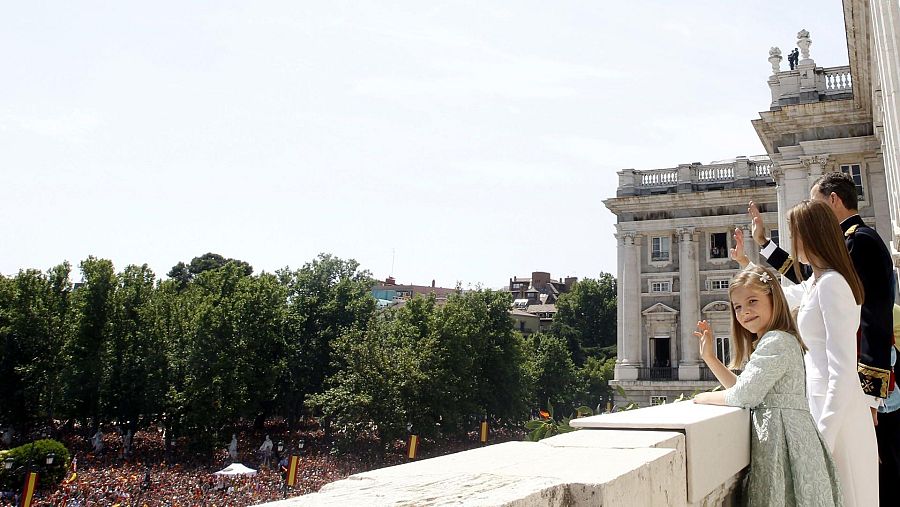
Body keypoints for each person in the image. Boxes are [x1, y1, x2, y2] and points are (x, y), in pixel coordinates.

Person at [734, 199, 879, 506]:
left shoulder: (831, 285)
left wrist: (823, 436)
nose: (791, 239)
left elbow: (842, 369)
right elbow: (780, 296)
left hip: (837, 412)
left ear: (809, 234)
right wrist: (746, 265)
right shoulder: (818, 282)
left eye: (793, 232)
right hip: (819, 403)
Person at [693, 264, 842, 506]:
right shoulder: (776, 339)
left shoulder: (776, 340)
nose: (744, 312)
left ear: (774, 299)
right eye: (738, 307)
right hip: (790, 440)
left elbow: (743, 395)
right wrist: (710, 358)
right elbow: (746, 387)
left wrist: (702, 399)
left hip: (784, 443)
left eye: (752, 301)